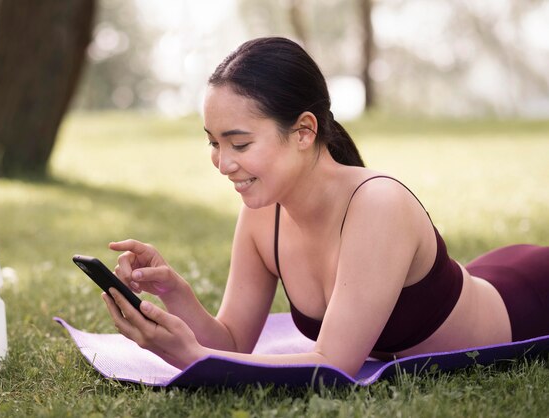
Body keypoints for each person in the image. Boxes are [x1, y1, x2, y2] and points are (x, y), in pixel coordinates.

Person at [101, 37, 549, 378]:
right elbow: (235, 341)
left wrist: (194, 359)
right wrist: (174, 294)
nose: (223, 162)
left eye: (239, 143)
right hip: (492, 271)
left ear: (303, 131)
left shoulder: (377, 204)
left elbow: (332, 368)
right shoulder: (262, 214)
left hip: (529, 295)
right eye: (213, 142)